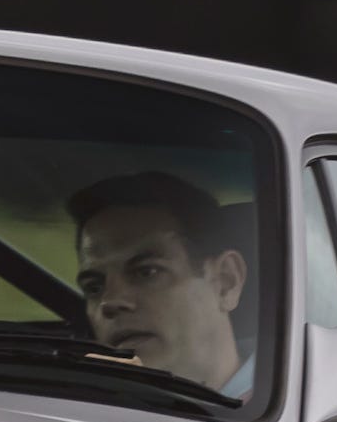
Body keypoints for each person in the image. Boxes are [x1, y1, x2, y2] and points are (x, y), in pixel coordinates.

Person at [68, 169, 254, 396]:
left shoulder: (297, 403)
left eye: (147, 272)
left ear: (226, 283)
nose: (110, 302)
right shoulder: (82, 408)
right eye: (94, 287)